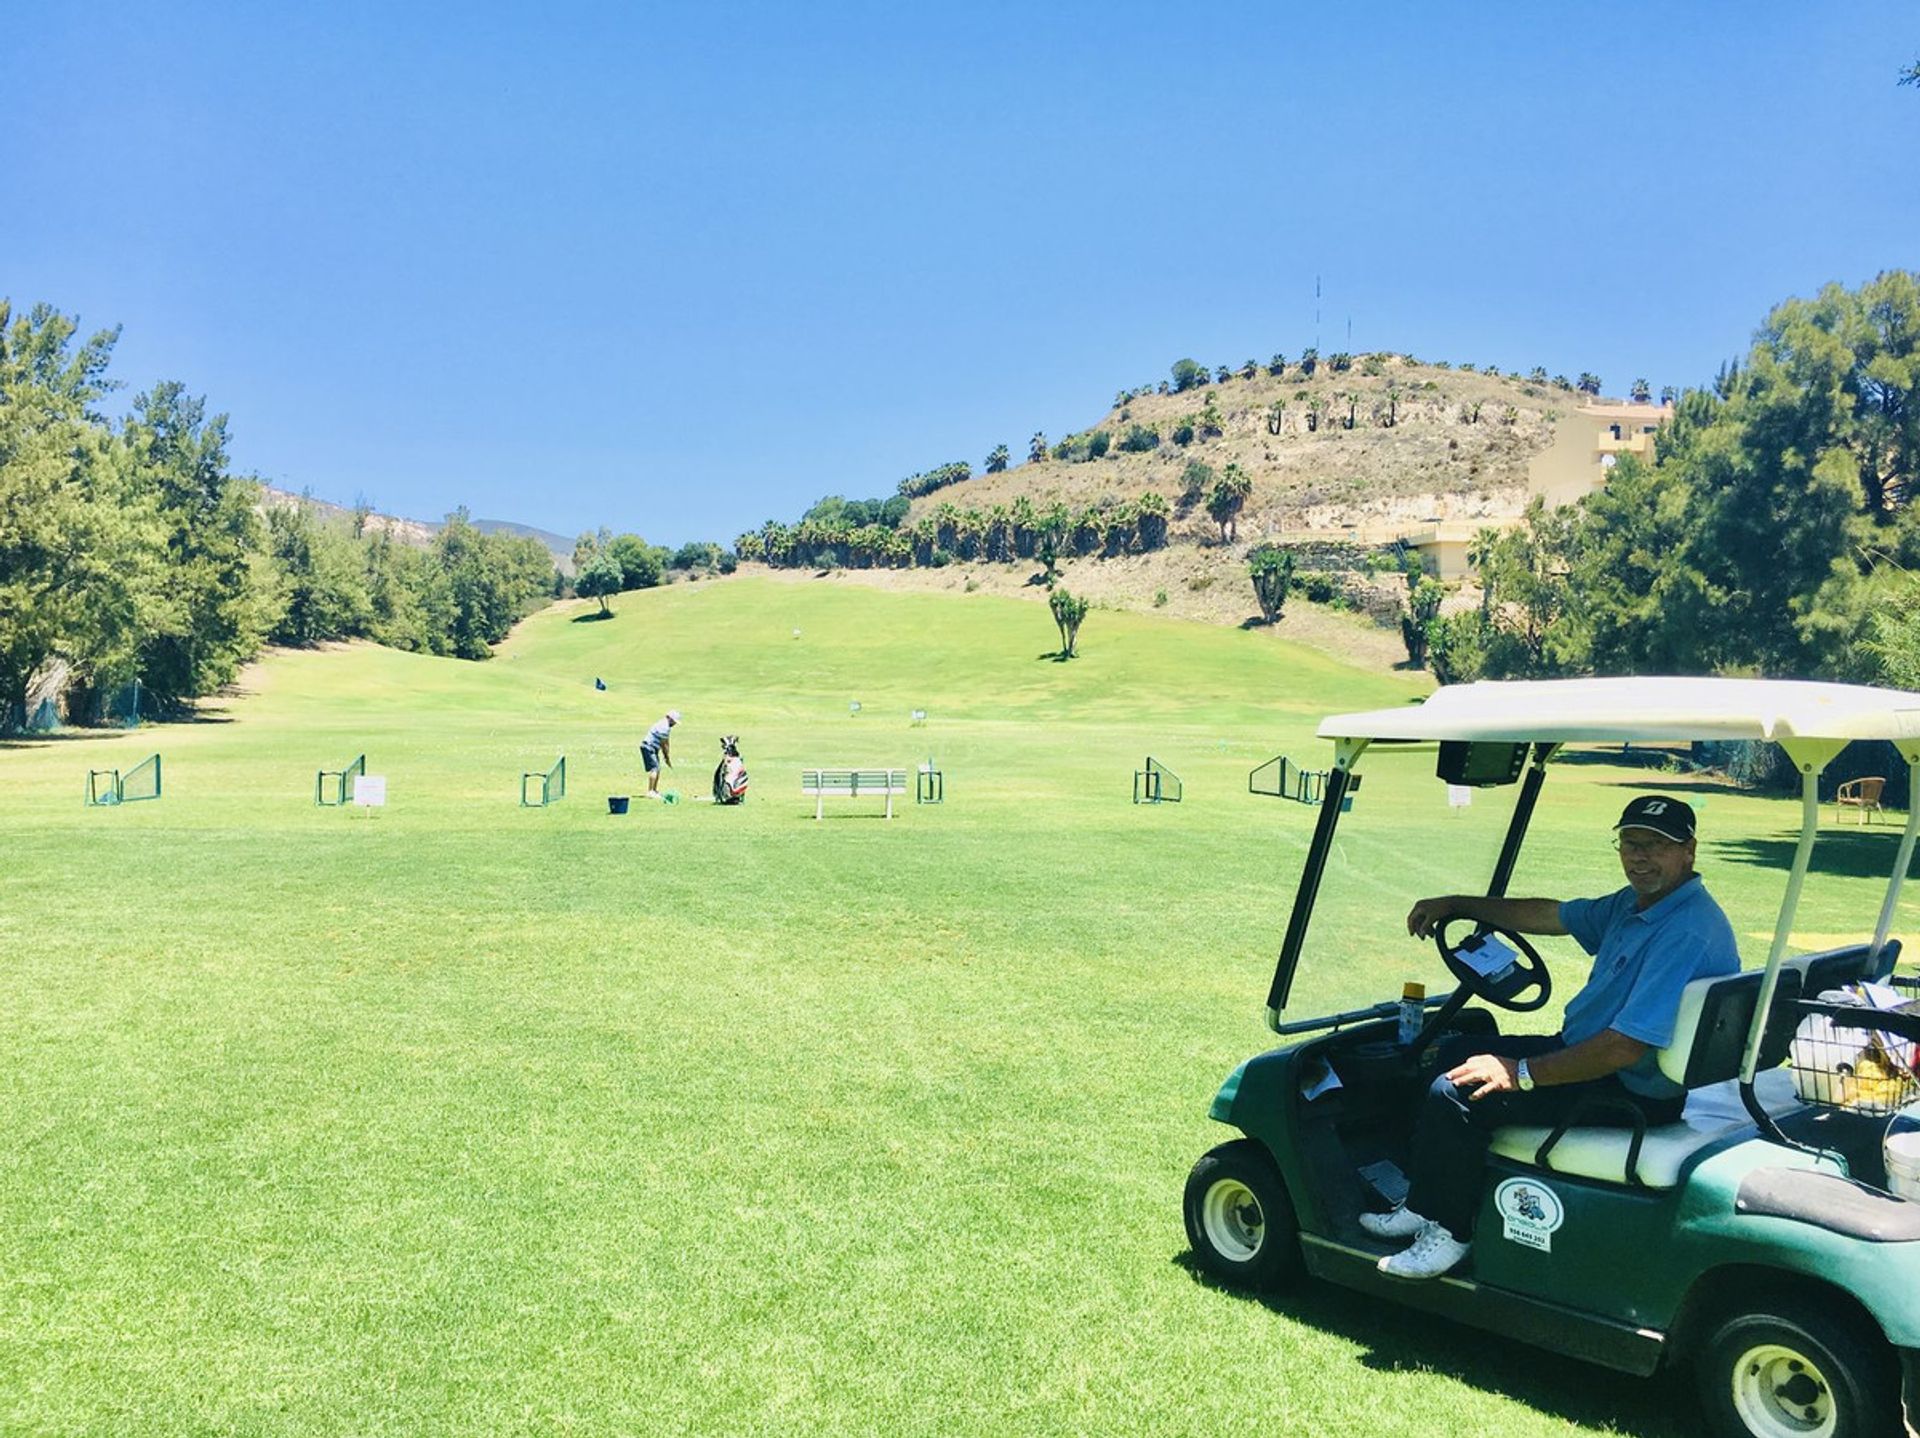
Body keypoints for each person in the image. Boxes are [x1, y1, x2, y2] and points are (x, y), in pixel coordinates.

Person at [1366, 794, 1738, 1280]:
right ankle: (1425, 1201)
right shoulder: (1637, 904)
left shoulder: (1686, 930)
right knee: (1455, 1051)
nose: (1640, 857)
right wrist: (1457, 904)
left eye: (1656, 846)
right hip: (1598, 1061)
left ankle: (1451, 1232)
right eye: (1630, 844)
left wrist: (1521, 1074)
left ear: (1689, 849)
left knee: (1456, 1092)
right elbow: (1550, 916)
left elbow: (1626, 1046)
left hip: (1631, 1089)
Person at [640, 709, 679, 797]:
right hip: (648, 746)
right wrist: (666, 757)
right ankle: (650, 791)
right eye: (674, 721)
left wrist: (666, 756)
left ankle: (654, 790)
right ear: (669, 718)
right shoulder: (664, 726)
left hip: (651, 747)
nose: (675, 724)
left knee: (657, 768)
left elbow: (666, 742)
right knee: (654, 768)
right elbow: (664, 744)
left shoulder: (665, 725)